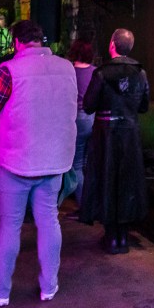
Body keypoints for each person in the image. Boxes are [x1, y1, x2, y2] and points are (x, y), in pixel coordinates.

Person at [0, 19, 77, 306]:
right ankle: (49, 286)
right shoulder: (66, 67)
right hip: (54, 160)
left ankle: (1, 292)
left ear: (17, 42)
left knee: (10, 225)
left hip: (15, 161)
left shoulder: (9, 70)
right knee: (48, 220)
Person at [80, 28, 150, 254]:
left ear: (112, 45)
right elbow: (144, 106)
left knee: (106, 180)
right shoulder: (141, 73)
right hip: (130, 133)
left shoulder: (101, 73)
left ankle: (111, 238)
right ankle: (123, 238)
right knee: (127, 181)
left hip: (106, 133)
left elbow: (89, 105)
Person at [66, 39, 95, 206]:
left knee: (76, 164)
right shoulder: (96, 72)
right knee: (85, 163)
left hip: (76, 119)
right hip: (92, 119)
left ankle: (84, 205)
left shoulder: (69, 72)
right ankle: (88, 201)